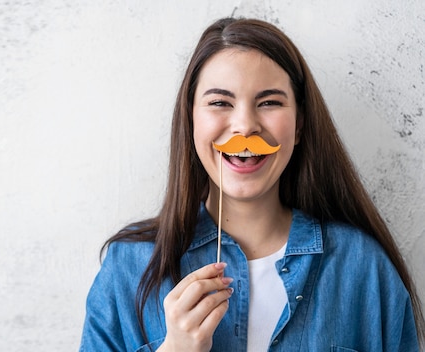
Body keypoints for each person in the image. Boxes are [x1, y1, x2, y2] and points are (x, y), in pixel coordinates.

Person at [79, 17, 424, 351]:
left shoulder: (363, 267)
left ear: (300, 124)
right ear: (191, 122)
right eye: (219, 103)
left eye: (269, 102)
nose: (245, 126)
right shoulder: (128, 268)